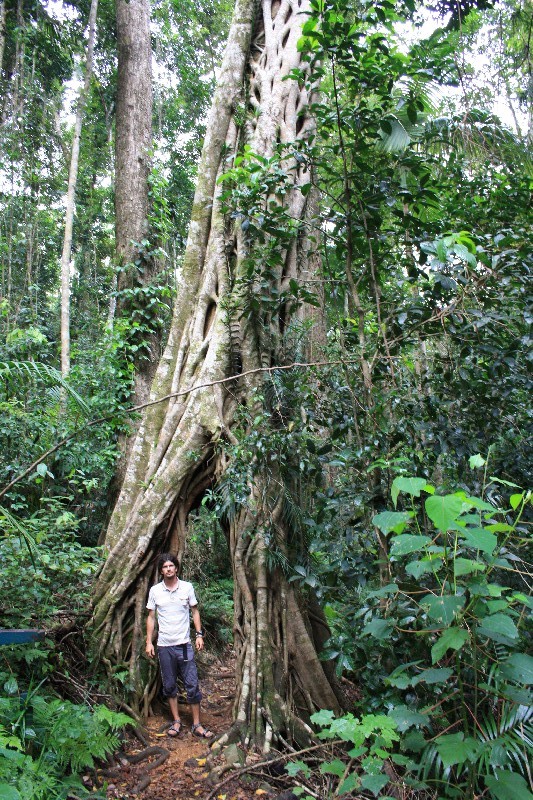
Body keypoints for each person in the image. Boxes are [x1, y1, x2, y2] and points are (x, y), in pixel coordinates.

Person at [145, 553, 214, 739]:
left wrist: (199, 635)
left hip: (184, 644)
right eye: (165, 567)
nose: (168, 569)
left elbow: (195, 611)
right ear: (161, 570)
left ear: (176, 568)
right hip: (164, 646)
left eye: (171, 566)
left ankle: (197, 724)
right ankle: (176, 721)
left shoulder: (187, 588)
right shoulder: (155, 591)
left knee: (192, 683)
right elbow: (151, 617)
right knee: (169, 685)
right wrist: (148, 642)